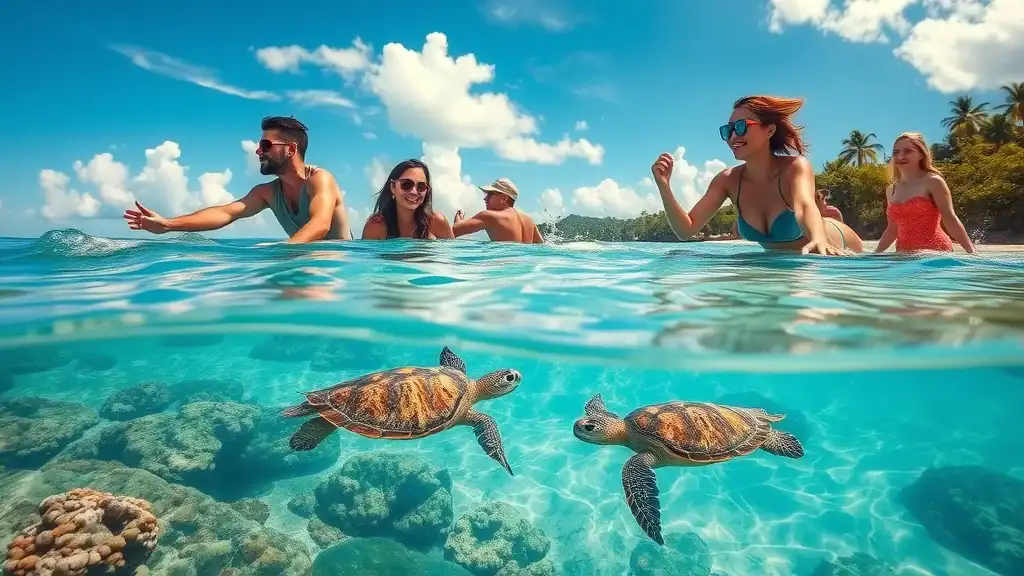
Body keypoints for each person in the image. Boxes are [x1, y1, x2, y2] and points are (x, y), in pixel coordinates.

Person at [651, 95, 862, 255]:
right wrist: (664, 187)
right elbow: (686, 230)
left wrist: (818, 238)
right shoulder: (728, 180)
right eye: (728, 130)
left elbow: (804, 206)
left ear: (769, 131)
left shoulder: (795, 167)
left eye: (741, 127)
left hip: (838, 243)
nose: (733, 136)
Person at [123, 116, 352, 243]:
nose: (258, 152)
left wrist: (284, 253)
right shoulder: (267, 193)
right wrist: (168, 225)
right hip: (303, 260)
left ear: (291, 149)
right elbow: (226, 213)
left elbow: (321, 224)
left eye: (266, 145)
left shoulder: (320, 179)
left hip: (339, 266)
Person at [875, 132, 975, 254]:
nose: (901, 156)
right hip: (903, 257)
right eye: (896, 152)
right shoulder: (891, 189)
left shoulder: (933, 181)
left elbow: (950, 219)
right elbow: (892, 230)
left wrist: (971, 251)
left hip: (935, 255)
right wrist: (876, 253)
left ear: (921, 154)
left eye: (908, 151)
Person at [361, 159, 454, 240]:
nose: (414, 191)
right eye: (406, 185)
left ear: (427, 191)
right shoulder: (375, 227)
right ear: (393, 187)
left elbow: (452, 257)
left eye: (421, 186)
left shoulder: (437, 222)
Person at [452, 178, 544, 243]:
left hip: (503, 267)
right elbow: (541, 246)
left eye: (490, 194)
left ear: (503, 198)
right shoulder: (530, 221)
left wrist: (459, 218)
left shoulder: (490, 216)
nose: (485, 199)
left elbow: (454, 231)